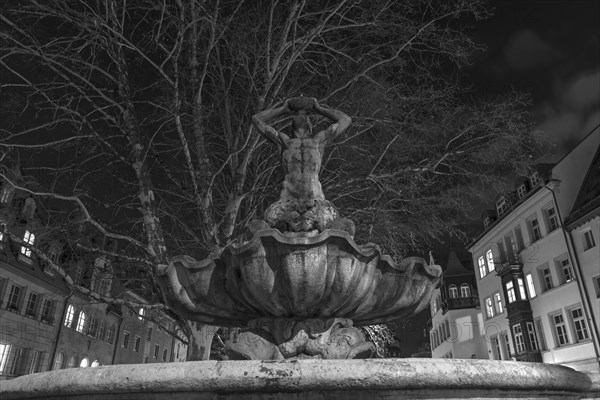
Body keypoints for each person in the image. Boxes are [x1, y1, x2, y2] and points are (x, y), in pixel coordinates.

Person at [252, 97, 353, 233]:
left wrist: (319, 108)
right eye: (298, 115)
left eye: (305, 115)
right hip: (287, 203)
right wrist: (282, 109)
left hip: (315, 203)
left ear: (310, 126)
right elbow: (257, 119)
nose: (301, 115)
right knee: (265, 225)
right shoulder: (284, 141)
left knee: (340, 225)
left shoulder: (318, 141)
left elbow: (346, 120)